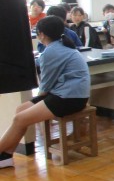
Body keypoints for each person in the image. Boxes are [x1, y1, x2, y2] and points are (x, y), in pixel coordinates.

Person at [0, 16, 90, 167]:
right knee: (21, 110)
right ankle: (6, 156)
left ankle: (2, 153)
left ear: (41, 34)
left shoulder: (51, 51)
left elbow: (44, 88)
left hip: (70, 98)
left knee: (20, 119)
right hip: (65, 94)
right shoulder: (60, 45)